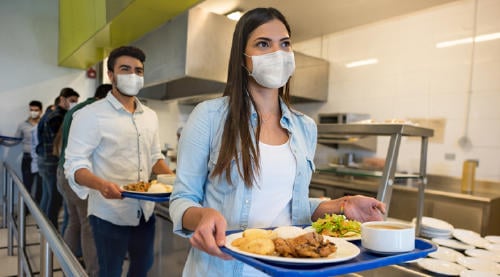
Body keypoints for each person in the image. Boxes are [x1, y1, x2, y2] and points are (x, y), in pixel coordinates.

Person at [169, 7, 386, 276]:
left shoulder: (305, 127)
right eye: (263, 44)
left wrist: (342, 205)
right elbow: (182, 198)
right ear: (242, 58)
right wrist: (202, 216)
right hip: (223, 269)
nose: (277, 53)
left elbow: (289, 206)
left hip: (285, 269)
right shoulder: (209, 117)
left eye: (284, 44)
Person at [64, 46, 174, 277]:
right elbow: (74, 165)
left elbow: (155, 157)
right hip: (109, 213)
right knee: (110, 271)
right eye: (125, 69)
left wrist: (177, 181)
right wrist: (101, 185)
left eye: (138, 70)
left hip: (145, 211)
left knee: (142, 268)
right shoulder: (89, 115)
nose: (133, 75)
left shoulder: (150, 116)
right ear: (111, 74)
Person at [57, 83, 111, 277]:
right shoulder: (90, 112)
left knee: (75, 222)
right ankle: (93, 273)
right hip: (77, 177)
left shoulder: (76, 110)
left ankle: (67, 264)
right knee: (89, 226)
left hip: (64, 173)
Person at [36, 87, 80, 228]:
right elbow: (60, 142)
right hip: (52, 161)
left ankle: (41, 224)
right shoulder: (58, 117)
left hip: (44, 158)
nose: (74, 104)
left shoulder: (50, 114)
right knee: (54, 198)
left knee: (47, 195)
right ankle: (51, 230)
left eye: (76, 101)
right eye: (72, 101)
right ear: (62, 99)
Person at [15, 100, 42, 199]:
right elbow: (15, 140)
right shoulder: (22, 125)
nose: (33, 112)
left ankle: (39, 211)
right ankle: (25, 211)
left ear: (40, 111)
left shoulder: (44, 123)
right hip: (27, 158)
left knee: (41, 187)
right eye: (31, 110)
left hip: (40, 158)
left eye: (36, 110)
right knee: (27, 186)